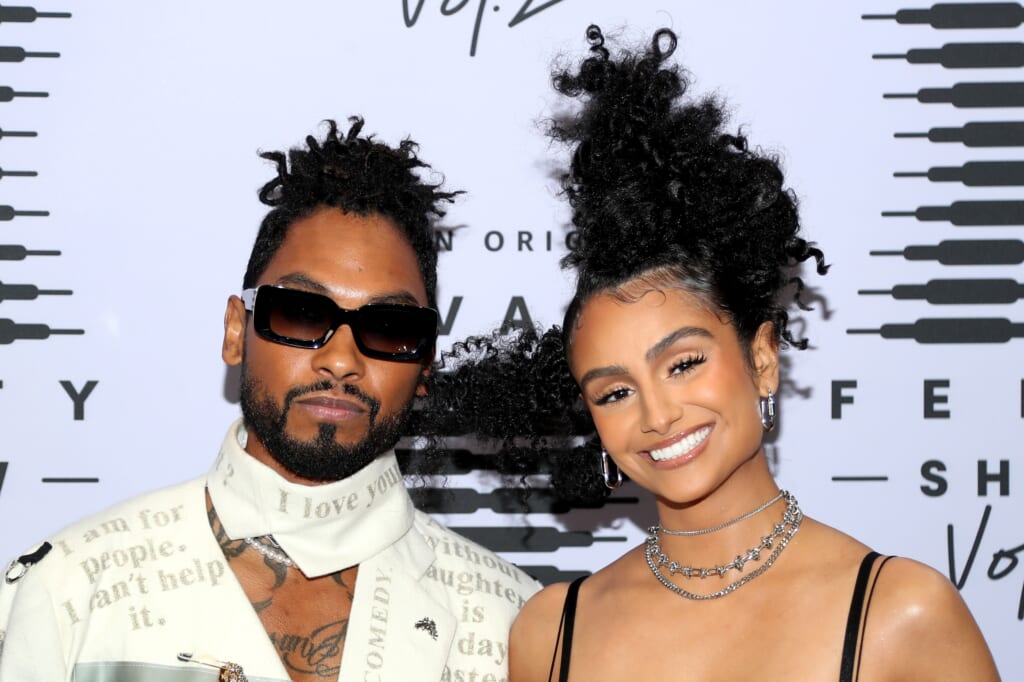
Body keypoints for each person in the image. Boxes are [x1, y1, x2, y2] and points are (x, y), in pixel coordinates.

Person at [487, 26, 997, 681]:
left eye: (683, 364)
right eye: (615, 392)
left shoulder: (900, 612)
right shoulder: (550, 629)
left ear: (761, 358)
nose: (658, 415)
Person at [0, 118, 539, 682]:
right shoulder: (71, 589)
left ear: (425, 364)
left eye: (389, 327)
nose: (341, 360)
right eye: (301, 313)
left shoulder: (512, 624)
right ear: (236, 331)